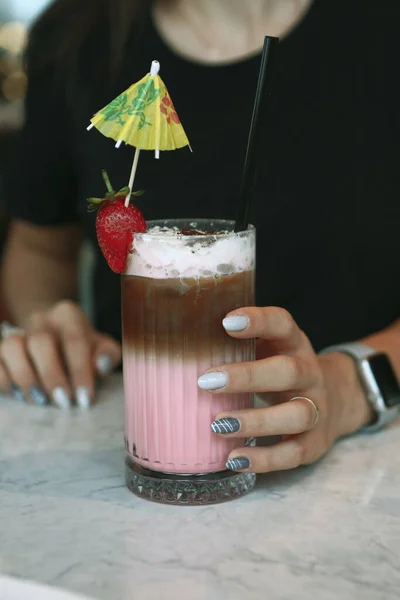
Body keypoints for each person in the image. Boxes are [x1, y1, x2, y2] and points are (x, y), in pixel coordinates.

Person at [1, 0, 399, 473]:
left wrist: (350, 384)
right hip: (135, 451)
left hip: (363, 472)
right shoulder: (75, 34)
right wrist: (51, 325)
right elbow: (40, 248)